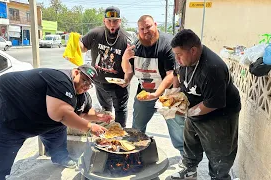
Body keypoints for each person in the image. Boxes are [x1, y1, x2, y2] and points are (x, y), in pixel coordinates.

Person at [0, 64, 113, 180]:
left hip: (44, 119)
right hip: (11, 111)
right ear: (76, 72)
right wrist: (90, 127)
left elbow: (84, 112)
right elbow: (62, 114)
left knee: (57, 132)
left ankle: (60, 157)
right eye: (85, 80)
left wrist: (100, 117)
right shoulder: (61, 80)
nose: (87, 86)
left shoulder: (82, 94)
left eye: (90, 84)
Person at [169, 29, 241, 180]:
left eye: (179, 54)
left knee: (219, 153)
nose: (177, 58)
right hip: (195, 107)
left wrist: (189, 112)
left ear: (193, 50)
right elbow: (176, 73)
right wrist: (174, 95)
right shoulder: (185, 59)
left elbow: (212, 103)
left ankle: (219, 177)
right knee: (190, 141)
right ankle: (189, 170)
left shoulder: (212, 68)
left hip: (220, 113)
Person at [122, 15, 185, 156]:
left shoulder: (167, 44)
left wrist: (157, 95)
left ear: (155, 25)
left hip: (167, 95)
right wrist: (125, 58)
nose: (145, 31)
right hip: (144, 92)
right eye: (142, 28)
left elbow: (171, 74)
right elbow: (128, 70)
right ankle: (134, 153)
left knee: (177, 128)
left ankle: (186, 159)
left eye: (148, 26)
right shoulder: (135, 45)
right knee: (137, 127)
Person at [80, 6, 134, 127]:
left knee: (120, 111)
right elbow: (82, 46)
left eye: (115, 21)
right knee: (105, 111)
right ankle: (108, 137)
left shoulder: (126, 39)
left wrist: (127, 80)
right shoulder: (95, 34)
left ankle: (120, 136)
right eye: (109, 21)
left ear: (120, 21)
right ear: (104, 21)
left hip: (119, 85)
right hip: (99, 82)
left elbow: (132, 66)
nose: (112, 24)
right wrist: (75, 45)